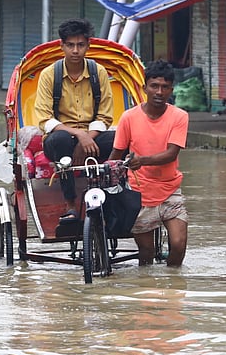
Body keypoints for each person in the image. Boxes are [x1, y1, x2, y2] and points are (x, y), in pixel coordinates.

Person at [32, 18, 115, 221]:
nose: (75, 51)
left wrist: (87, 138)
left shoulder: (99, 73)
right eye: (70, 45)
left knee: (122, 139)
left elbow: (105, 115)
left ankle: (113, 199)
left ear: (88, 45)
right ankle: (70, 204)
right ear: (62, 46)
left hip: (93, 136)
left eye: (80, 45)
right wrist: (79, 135)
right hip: (60, 139)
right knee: (59, 140)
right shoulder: (49, 75)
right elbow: (44, 118)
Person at [110, 60, 190, 267]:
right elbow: (117, 153)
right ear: (144, 87)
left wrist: (142, 161)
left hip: (170, 189)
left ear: (171, 89)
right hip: (139, 193)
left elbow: (171, 154)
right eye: (154, 86)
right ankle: (147, 292)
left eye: (165, 87)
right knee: (146, 252)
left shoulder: (180, 116)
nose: (159, 92)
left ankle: (173, 288)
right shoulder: (128, 118)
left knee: (179, 245)